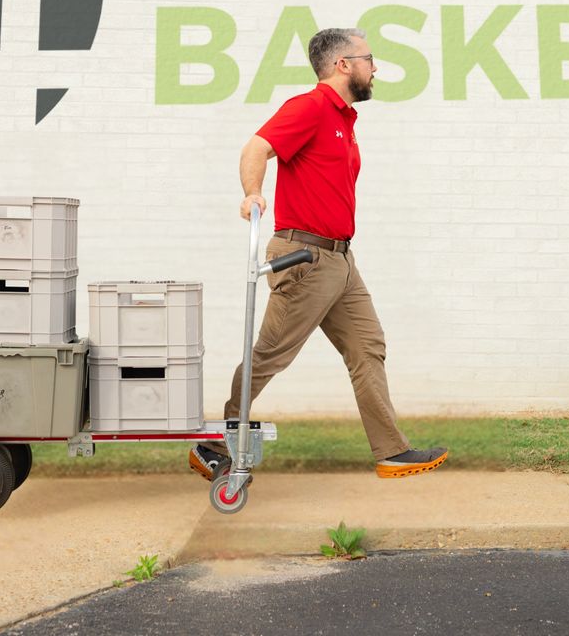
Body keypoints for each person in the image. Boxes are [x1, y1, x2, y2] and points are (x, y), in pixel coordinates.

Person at [190, 27, 450, 480]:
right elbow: (257, 147)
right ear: (342, 64)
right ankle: (211, 444)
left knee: (368, 346)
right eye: (369, 59)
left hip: (341, 261)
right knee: (270, 354)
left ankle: (391, 451)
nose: (376, 68)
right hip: (305, 258)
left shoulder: (345, 119)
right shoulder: (309, 108)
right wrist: (252, 193)